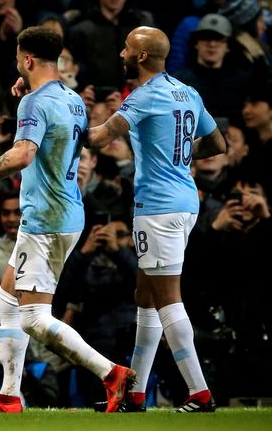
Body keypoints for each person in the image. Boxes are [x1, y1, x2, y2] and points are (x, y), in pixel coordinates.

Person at [0, 26, 134, 414]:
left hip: (46, 216)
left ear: (27, 59)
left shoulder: (34, 103)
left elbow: (22, 155)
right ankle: (10, 395)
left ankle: (111, 373)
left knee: (32, 317)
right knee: (8, 298)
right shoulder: (72, 98)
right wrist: (28, 92)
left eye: (18, 57)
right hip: (65, 210)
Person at [87, 26, 227, 412]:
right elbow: (218, 144)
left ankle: (200, 393)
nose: (122, 54)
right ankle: (134, 394)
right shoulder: (187, 91)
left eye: (128, 48)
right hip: (184, 202)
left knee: (166, 300)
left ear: (142, 57)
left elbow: (100, 138)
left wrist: (62, 119)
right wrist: (178, 157)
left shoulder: (145, 96)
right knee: (145, 298)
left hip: (159, 208)